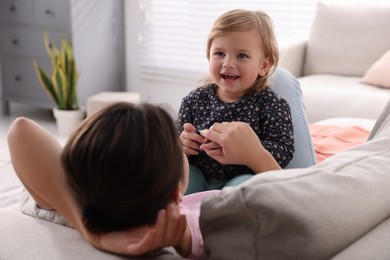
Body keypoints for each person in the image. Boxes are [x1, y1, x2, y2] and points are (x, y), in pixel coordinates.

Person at [8, 102, 282, 258]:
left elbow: (20, 130)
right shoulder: (202, 223)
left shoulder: (79, 206)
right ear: (177, 192)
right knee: (280, 78)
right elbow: (297, 197)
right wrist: (256, 154)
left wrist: (91, 231)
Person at [178, 9, 295, 194]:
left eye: (242, 55)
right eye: (219, 53)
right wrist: (183, 144)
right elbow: (176, 145)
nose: (228, 63)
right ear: (209, 56)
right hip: (199, 174)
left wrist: (247, 148)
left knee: (245, 189)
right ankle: (186, 218)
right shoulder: (193, 100)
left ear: (263, 66)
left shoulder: (271, 104)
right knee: (180, 176)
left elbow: (284, 150)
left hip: (241, 177)